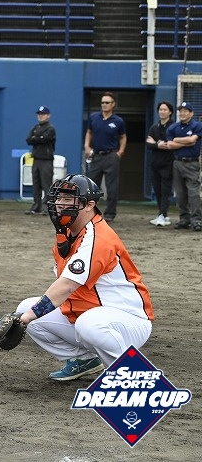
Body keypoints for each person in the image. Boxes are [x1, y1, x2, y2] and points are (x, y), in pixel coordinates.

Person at [15, 174, 153, 381]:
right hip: (90, 313)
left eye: (67, 199)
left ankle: (129, 374)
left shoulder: (98, 238)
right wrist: (26, 316)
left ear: (89, 205)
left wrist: (24, 320)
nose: (60, 204)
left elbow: (66, 286)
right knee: (26, 308)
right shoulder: (68, 232)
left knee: (81, 323)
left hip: (128, 319)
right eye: (59, 198)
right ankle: (84, 361)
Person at [83, 92, 126, 222]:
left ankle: (110, 213)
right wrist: (87, 146)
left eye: (107, 102)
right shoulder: (94, 117)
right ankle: (90, 212)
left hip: (111, 156)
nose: (104, 105)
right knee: (91, 186)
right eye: (102, 102)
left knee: (112, 187)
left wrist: (120, 152)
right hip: (96, 155)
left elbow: (123, 137)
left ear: (113, 104)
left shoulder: (118, 121)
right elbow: (89, 132)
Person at [159, 101, 202, 231]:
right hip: (177, 163)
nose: (182, 113)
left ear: (191, 113)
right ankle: (184, 219)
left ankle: (196, 220)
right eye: (181, 111)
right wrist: (186, 142)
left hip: (192, 163)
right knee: (180, 193)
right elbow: (170, 145)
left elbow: (193, 140)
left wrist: (177, 140)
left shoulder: (197, 125)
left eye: (185, 111)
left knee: (193, 193)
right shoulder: (173, 128)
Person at [145, 101, 175, 227]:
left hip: (168, 163)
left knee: (165, 190)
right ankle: (162, 214)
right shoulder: (154, 127)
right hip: (155, 164)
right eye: (160, 109)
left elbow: (169, 144)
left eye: (165, 109)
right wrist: (157, 144)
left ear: (170, 112)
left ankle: (163, 214)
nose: (162, 112)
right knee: (157, 190)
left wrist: (156, 143)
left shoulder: (173, 127)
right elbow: (148, 143)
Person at [25, 105, 56, 215]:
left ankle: (47, 207)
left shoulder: (50, 128)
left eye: (43, 114)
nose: (40, 116)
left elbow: (45, 138)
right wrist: (38, 138)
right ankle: (36, 206)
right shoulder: (36, 127)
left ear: (48, 116)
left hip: (46, 160)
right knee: (36, 184)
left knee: (46, 184)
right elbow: (28, 140)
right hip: (36, 159)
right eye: (39, 114)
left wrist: (36, 138)